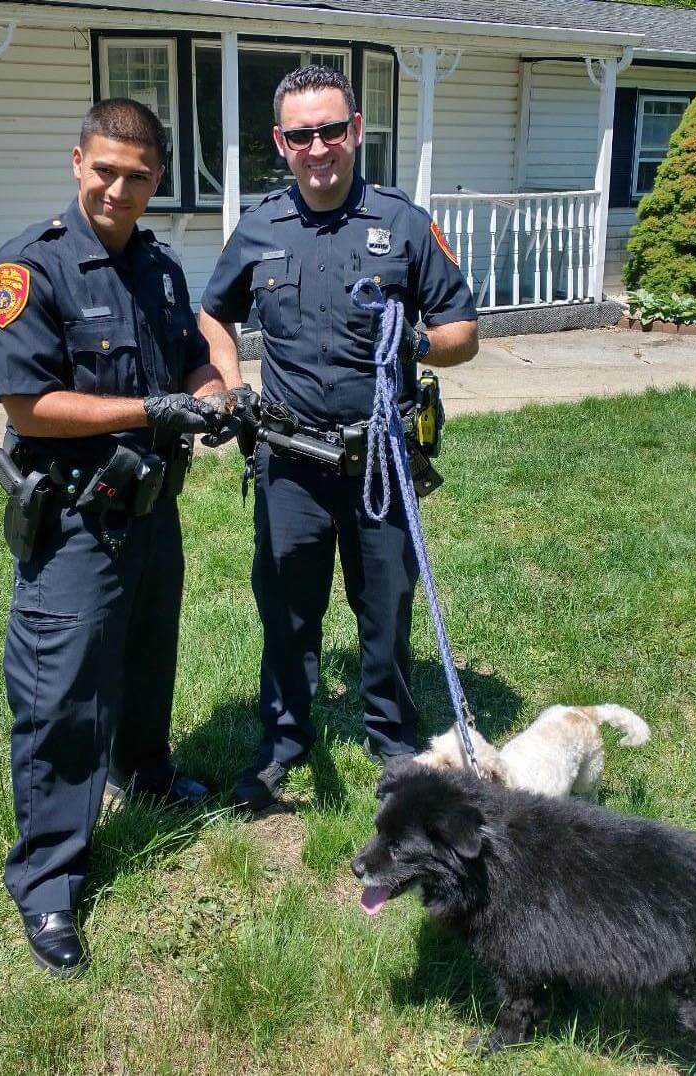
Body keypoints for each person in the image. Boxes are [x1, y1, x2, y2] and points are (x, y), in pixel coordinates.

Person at [0, 98, 235, 977]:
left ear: (157, 178)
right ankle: (47, 879)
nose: (119, 190)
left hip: (152, 507)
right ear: (77, 162)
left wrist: (213, 393)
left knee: (147, 655)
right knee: (61, 696)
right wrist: (152, 410)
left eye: (138, 176)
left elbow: (191, 352)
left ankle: (145, 771)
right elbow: (28, 405)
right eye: (105, 171)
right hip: (75, 519)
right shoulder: (29, 268)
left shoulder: (158, 268)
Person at [198, 65, 479, 811]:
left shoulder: (404, 224)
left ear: (355, 130)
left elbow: (463, 331)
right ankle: (283, 741)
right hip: (289, 461)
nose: (317, 147)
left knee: (384, 605)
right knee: (287, 608)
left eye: (330, 130)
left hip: (379, 456)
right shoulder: (259, 227)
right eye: (301, 135)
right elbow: (212, 314)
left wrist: (414, 342)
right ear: (280, 142)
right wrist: (228, 383)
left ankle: (392, 743)